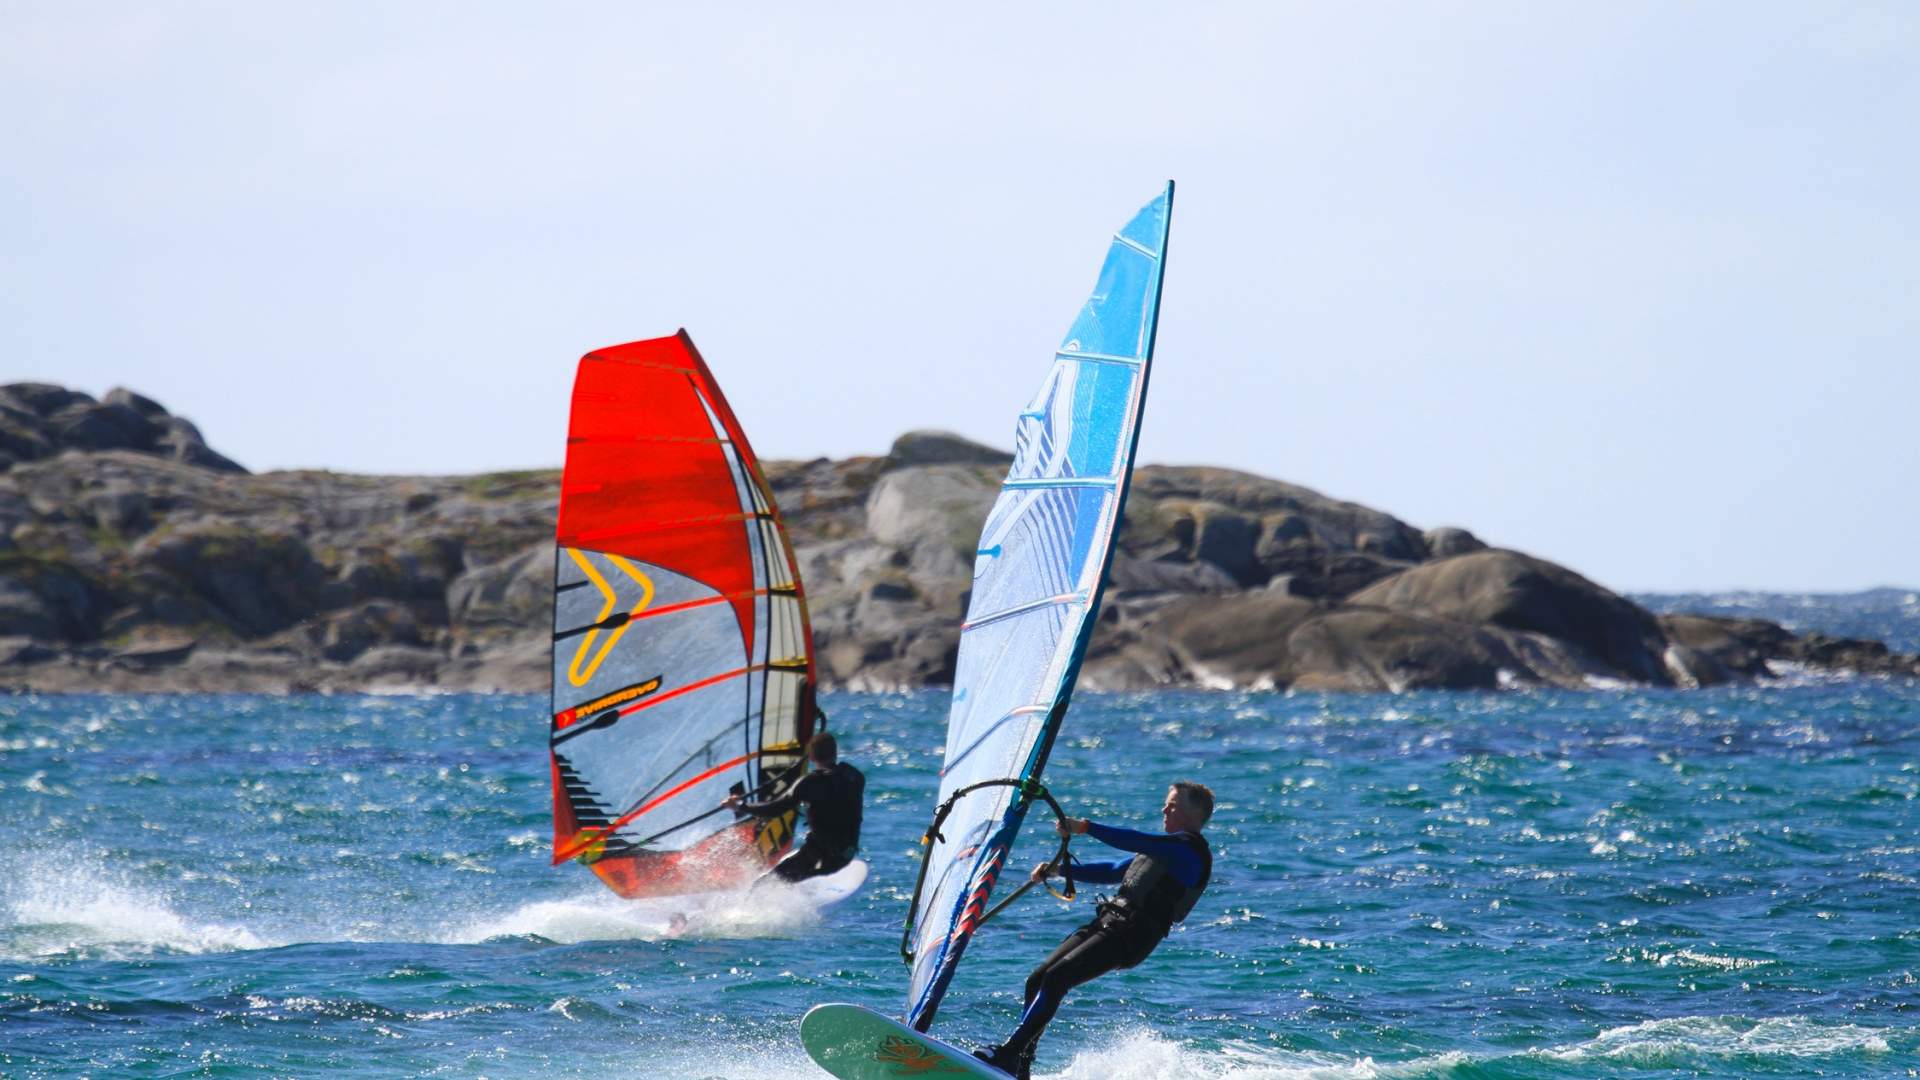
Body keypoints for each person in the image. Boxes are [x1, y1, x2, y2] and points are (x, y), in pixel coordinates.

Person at [976, 782, 1215, 1079]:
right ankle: (1020, 1066)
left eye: (1173, 805)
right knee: (1037, 980)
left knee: (1056, 978)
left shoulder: (1188, 852)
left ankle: (1008, 1054)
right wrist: (1059, 870)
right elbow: (1114, 870)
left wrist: (1086, 827)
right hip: (1108, 923)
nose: (1164, 809)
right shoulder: (1164, 849)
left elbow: (1135, 839)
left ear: (1195, 813)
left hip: (1131, 936)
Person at [721, 731, 864, 884]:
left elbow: (775, 808)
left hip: (819, 856)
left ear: (811, 756)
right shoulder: (855, 776)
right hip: (844, 857)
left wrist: (740, 806)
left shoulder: (809, 783)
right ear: (835, 753)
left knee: (764, 884)